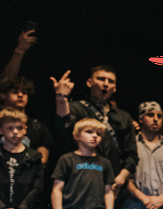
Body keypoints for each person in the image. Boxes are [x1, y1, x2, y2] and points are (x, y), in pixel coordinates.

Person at [52, 66, 137, 199]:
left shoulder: (123, 117)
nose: (105, 84)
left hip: (113, 185)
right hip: (80, 184)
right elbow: (64, 126)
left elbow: (131, 154)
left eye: (110, 81)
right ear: (89, 82)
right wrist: (61, 97)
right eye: (101, 79)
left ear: (114, 88)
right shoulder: (77, 108)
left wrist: (120, 179)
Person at [51, 119, 115, 209]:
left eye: (98, 134)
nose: (94, 136)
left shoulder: (105, 162)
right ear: (76, 136)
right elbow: (57, 189)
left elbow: (109, 192)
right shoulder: (67, 159)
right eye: (89, 132)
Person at [0, 109, 44, 209]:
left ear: (25, 130)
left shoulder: (34, 157)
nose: (15, 132)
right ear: (0, 130)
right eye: (10, 128)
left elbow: (38, 188)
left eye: (19, 128)